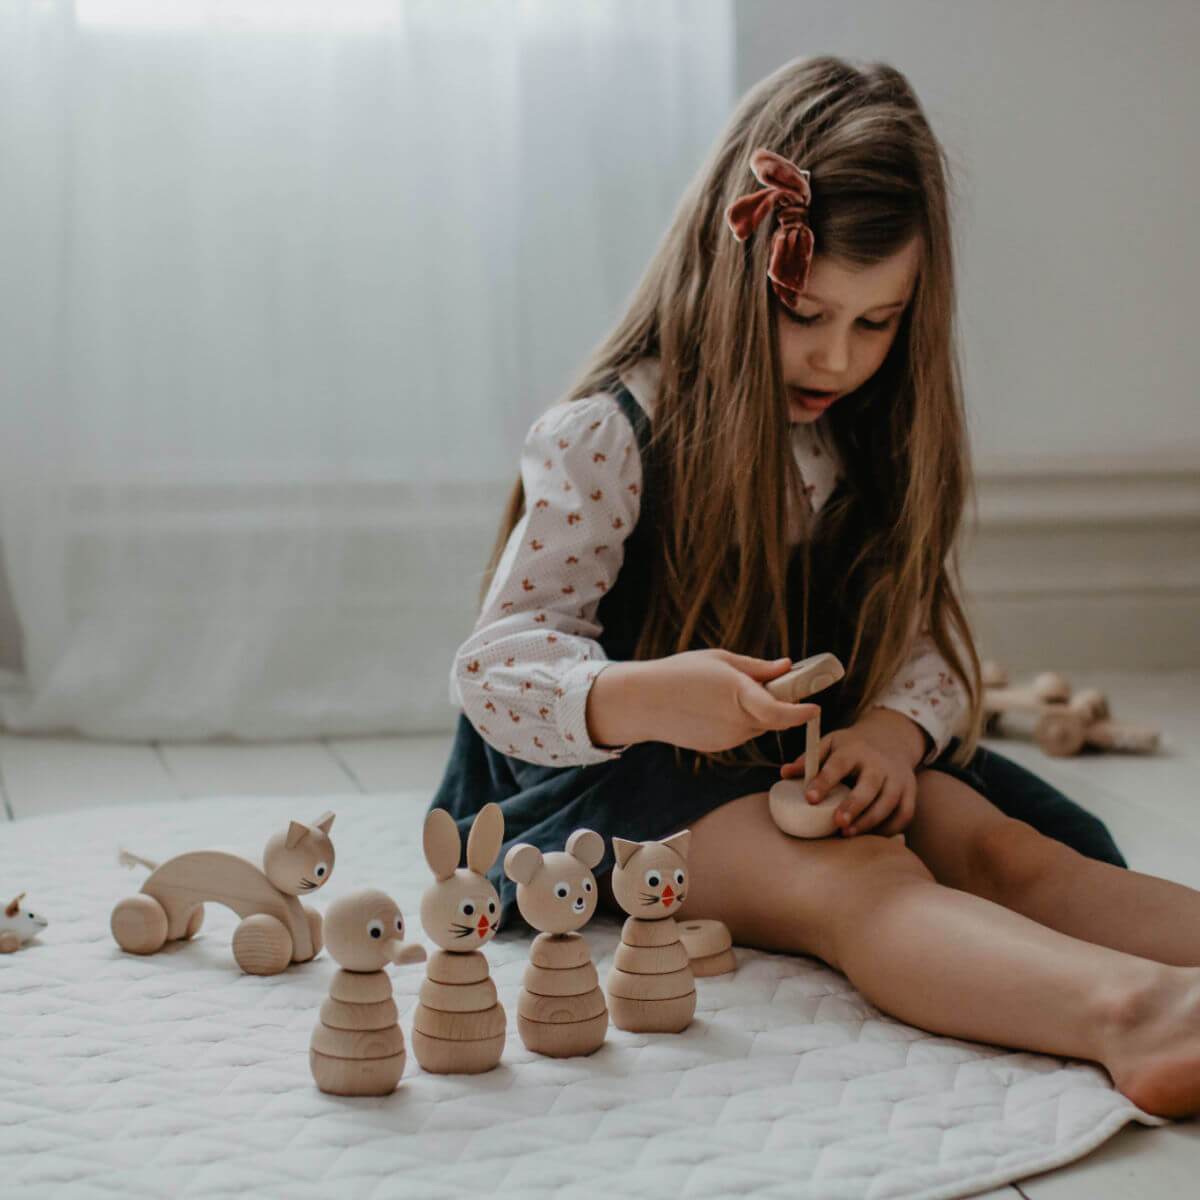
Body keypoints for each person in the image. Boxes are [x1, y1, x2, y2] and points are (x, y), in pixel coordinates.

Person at [429, 55, 1200, 1118]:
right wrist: (657, 693)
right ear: (729, 270)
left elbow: (917, 648)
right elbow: (496, 667)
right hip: (621, 783)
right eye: (808, 313)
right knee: (859, 881)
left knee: (1002, 849)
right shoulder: (612, 435)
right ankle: (1142, 1017)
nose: (838, 357)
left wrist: (892, 734)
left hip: (814, 756)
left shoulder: (865, 440)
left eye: (877, 323)